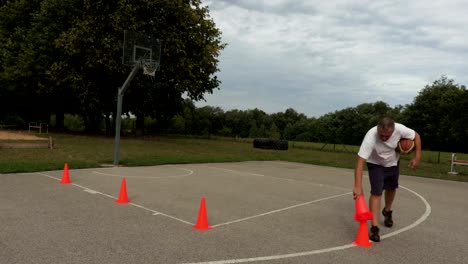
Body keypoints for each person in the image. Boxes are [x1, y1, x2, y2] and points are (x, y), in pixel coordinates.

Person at [353, 117, 421, 242]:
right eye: (381, 135)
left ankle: (387, 211)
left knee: (391, 188)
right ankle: (374, 228)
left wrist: (417, 157)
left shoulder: (400, 129)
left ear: (393, 131)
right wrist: (357, 185)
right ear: (377, 129)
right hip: (375, 164)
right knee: (376, 192)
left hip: (393, 163)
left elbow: (416, 136)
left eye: (387, 136)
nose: (383, 138)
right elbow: (360, 161)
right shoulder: (371, 135)